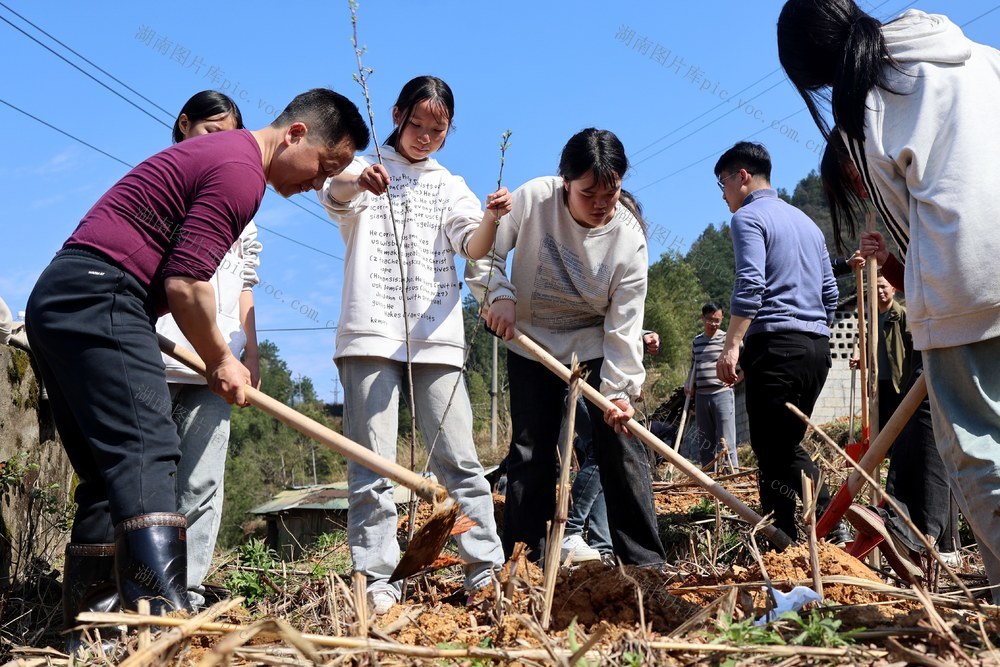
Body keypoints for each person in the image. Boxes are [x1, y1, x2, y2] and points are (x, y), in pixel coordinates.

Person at [26, 89, 369, 636]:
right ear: (296, 134)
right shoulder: (240, 170)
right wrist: (221, 359)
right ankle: (159, 626)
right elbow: (186, 283)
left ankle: (91, 631)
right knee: (150, 448)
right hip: (102, 295)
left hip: (61, 296)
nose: (316, 185)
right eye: (323, 168)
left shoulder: (221, 157)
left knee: (103, 469)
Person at [779, 0, 1000, 598]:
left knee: (980, 451)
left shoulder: (864, 113)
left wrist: (897, 274)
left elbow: (917, 240)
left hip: (965, 286)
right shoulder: (980, 59)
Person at [318, 76, 510, 616]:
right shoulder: (362, 166)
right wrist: (361, 183)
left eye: (437, 129)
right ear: (398, 113)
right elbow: (334, 196)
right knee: (371, 463)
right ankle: (377, 576)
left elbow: (473, 246)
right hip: (369, 333)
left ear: (449, 131)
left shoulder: (451, 185)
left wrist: (493, 218)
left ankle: (482, 567)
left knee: (459, 460)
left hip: (436, 340)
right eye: (417, 124)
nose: (425, 136)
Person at [467, 128, 666, 568]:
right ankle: (526, 559)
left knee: (621, 440)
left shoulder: (629, 239)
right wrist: (498, 294)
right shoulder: (534, 199)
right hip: (531, 342)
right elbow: (484, 254)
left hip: (592, 343)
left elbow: (625, 323)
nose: (600, 204)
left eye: (610, 193)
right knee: (531, 451)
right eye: (588, 193)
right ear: (564, 183)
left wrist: (619, 391)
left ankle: (644, 563)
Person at [153, 91, 262, 610]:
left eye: (230, 137)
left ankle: (188, 590)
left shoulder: (243, 201)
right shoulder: (166, 185)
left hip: (218, 368)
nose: (220, 146)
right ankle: (142, 589)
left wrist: (250, 352)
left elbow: (244, 286)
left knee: (202, 482)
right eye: (209, 133)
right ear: (183, 124)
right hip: (160, 355)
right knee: (150, 481)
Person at [713, 141, 844, 545]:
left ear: (742, 177)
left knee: (775, 449)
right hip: (816, 350)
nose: (723, 195)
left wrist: (732, 344)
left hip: (775, 346)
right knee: (782, 444)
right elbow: (831, 295)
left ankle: (819, 523)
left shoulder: (748, 219)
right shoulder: (806, 222)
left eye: (723, 184)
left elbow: (751, 284)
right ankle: (795, 538)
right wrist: (817, 332)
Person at [686, 302, 739, 471]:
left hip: (722, 393)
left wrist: (734, 380)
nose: (714, 323)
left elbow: (744, 365)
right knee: (705, 442)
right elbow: (693, 366)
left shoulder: (727, 340)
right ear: (703, 318)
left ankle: (731, 476)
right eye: (710, 319)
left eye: (718, 320)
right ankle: (708, 477)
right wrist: (689, 384)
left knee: (726, 440)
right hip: (702, 396)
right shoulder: (697, 342)